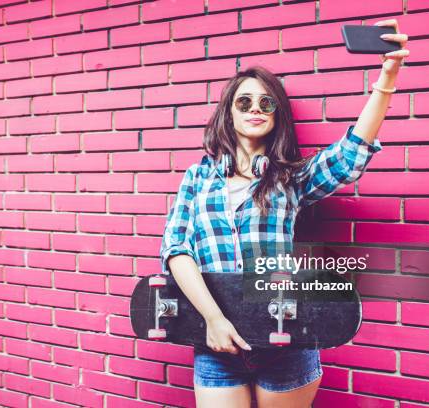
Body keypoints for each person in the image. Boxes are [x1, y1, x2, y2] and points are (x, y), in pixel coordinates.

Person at [159, 19, 409, 408]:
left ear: (277, 115)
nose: (255, 109)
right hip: (215, 343)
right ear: (229, 113)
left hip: (285, 341)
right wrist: (213, 319)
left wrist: (387, 76)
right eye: (244, 102)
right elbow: (177, 248)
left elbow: (351, 153)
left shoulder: (290, 178)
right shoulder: (198, 176)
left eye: (266, 102)